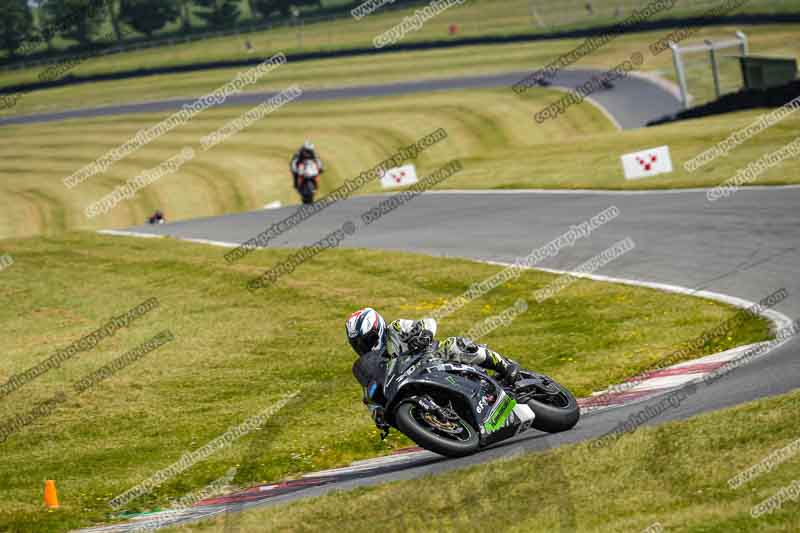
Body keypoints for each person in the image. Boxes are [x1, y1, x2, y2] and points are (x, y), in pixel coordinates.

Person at [346, 308, 521, 431]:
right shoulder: (371, 367)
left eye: (367, 340)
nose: (364, 347)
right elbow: (370, 397)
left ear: (378, 329)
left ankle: (504, 364)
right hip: (411, 385)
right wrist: (377, 413)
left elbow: (428, 322)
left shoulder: (396, 328)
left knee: (455, 346)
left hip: (433, 360)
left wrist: (424, 335)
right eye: (358, 344)